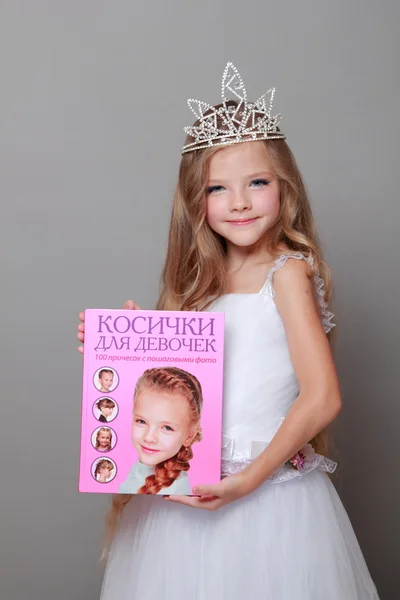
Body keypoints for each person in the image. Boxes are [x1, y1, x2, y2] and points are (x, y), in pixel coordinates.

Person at [77, 62, 379, 599]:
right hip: (188, 493)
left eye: (257, 183)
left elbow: (323, 396)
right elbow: (169, 390)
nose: (239, 201)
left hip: (265, 496)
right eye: (219, 188)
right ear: (197, 201)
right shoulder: (200, 287)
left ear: (284, 188)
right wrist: (120, 343)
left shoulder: (287, 273)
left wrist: (250, 478)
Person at [118, 367, 203, 495]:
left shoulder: (175, 490)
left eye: (167, 428)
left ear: (189, 436)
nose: (149, 437)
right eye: (141, 421)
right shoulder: (139, 469)